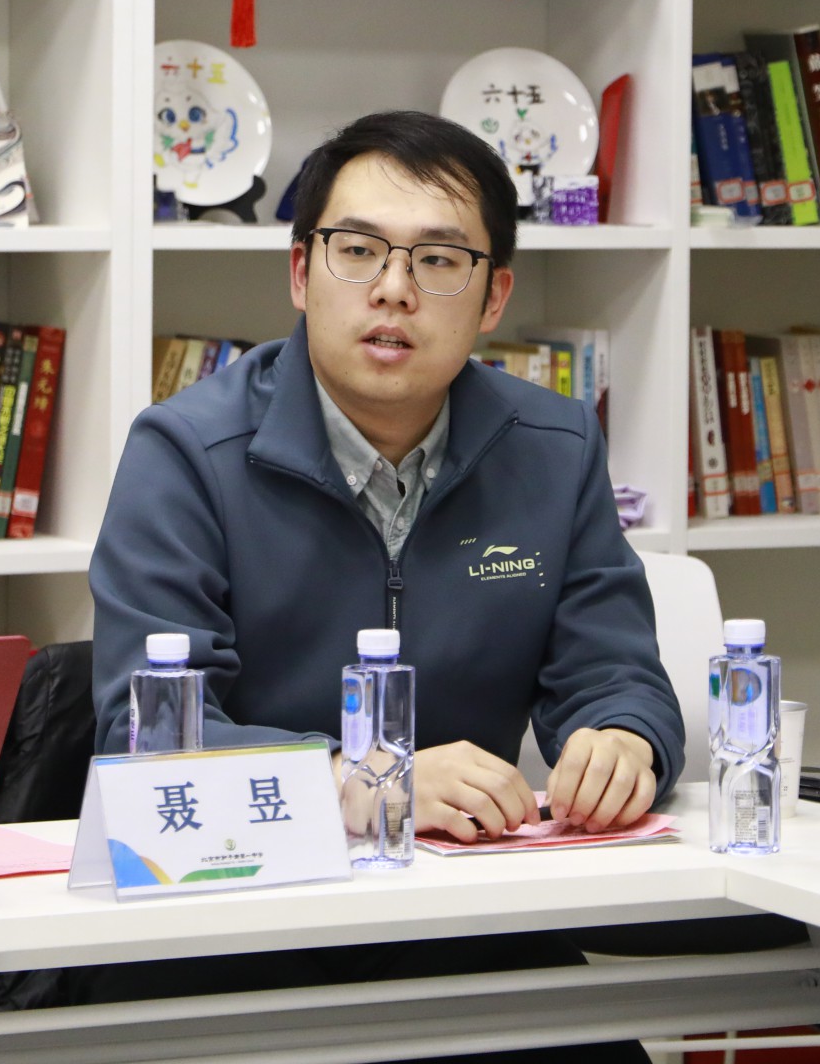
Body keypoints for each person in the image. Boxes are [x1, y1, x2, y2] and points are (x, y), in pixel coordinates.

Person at [84, 111, 684, 1062]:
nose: (395, 289)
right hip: (236, 934)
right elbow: (150, 732)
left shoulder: (556, 447)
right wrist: (362, 783)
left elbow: (615, 670)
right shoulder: (186, 454)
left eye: (439, 260)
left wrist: (622, 740)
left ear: (494, 297)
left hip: (467, 926)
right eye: (358, 251)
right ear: (300, 273)